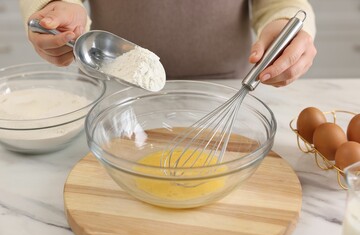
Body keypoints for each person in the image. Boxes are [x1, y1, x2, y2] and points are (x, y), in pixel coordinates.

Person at [19, 0, 316, 87]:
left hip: (224, 88)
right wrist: (55, 6)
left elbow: (278, 2)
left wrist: (285, 23)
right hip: (110, 85)